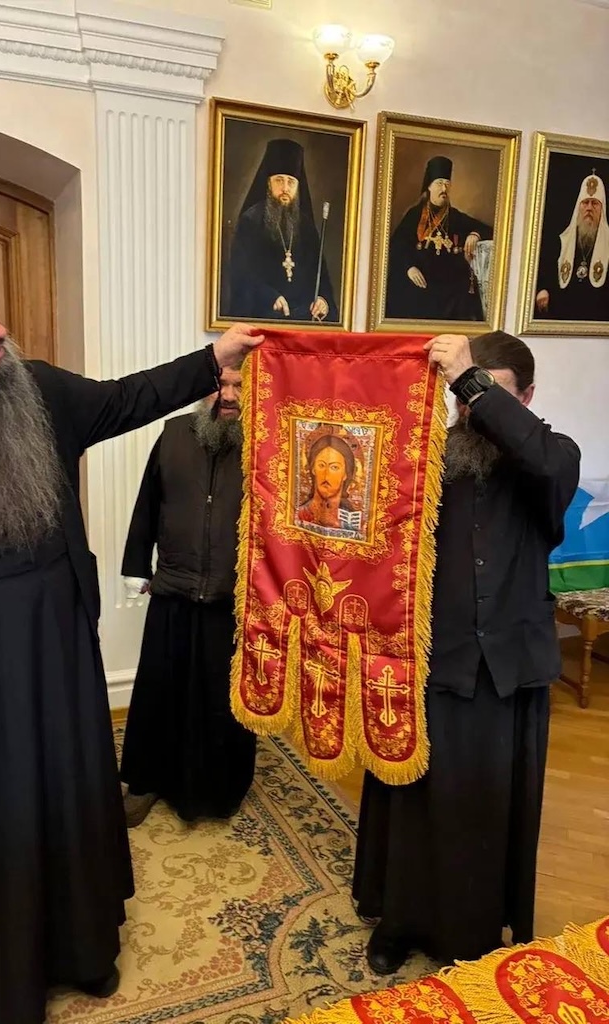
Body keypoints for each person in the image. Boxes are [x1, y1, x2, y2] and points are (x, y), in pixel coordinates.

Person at [0, 247, 261, 1024]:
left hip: (61, 654)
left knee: (70, 801)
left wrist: (214, 359)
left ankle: (82, 952)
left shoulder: (32, 388)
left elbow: (126, 398)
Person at [352, 331, 580, 974]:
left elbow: (545, 462)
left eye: (486, 394)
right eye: (460, 396)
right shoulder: (424, 458)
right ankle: (398, 921)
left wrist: (469, 379)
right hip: (427, 660)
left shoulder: (554, 456)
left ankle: (473, 930)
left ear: (525, 398)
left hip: (507, 669)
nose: (471, 409)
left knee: (484, 805)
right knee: (410, 799)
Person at [119, 367, 256, 825]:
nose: (228, 395)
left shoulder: (267, 444)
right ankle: (145, 781)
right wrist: (136, 566)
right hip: (174, 588)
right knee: (160, 693)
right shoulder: (174, 435)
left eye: (239, 386)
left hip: (233, 597)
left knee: (220, 702)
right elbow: (147, 505)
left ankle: (217, 791)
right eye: (220, 385)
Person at [226, 138, 338, 322]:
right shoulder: (251, 221)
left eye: (291, 182)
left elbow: (321, 276)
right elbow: (241, 275)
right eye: (279, 180)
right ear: (268, 183)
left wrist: (322, 300)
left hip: (302, 322)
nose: (285, 188)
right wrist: (269, 297)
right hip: (265, 318)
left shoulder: (306, 227)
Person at [386, 156, 492, 322]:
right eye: (439, 183)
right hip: (419, 278)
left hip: (448, 284)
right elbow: (398, 245)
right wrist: (409, 268)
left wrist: (475, 234)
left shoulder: (455, 216)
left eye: (447, 184)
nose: (444, 189)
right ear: (429, 186)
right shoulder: (414, 215)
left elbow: (487, 229)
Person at [535, 170, 609, 322]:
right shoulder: (562, 240)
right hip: (563, 311)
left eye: (595, 203)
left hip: (599, 314)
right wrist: (543, 289)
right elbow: (546, 273)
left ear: (602, 209)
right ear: (578, 207)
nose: (589, 208)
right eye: (585, 202)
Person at [297, 431, 361, 531]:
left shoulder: (352, 523)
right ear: (313, 469)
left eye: (334, 467)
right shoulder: (298, 514)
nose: (326, 475)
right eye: (321, 465)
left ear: (345, 474)